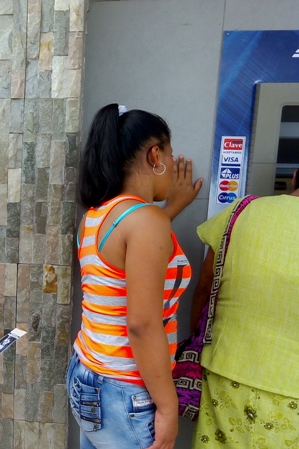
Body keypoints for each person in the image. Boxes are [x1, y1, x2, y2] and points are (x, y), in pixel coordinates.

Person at [67, 104, 201, 449]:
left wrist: (172, 208)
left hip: (89, 373)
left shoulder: (96, 216)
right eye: (169, 153)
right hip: (126, 388)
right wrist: (168, 407)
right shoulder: (146, 222)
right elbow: (142, 324)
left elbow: (129, 256)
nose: (172, 163)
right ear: (155, 155)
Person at [190, 168, 299, 448]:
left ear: (295, 177)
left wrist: (196, 342)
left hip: (225, 373)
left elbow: (205, 287)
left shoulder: (241, 211)